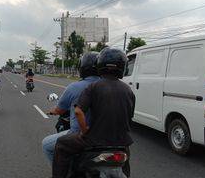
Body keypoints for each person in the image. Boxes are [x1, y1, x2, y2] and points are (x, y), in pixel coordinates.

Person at [52, 47, 136, 178]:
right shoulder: (128, 90)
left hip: (95, 140)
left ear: (100, 64)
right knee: (125, 163)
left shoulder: (94, 86)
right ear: (123, 67)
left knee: (61, 145)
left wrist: (84, 130)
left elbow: (79, 111)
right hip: (121, 142)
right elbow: (129, 117)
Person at [42, 52, 100, 164]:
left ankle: (61, 172)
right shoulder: (109, 85)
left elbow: (60, 110)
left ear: (82, 68)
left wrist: (52, 111)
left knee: (46, 145)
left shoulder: (74, 87)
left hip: (80, 134)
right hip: (107, 135)